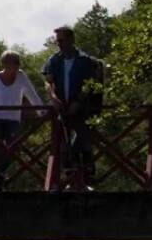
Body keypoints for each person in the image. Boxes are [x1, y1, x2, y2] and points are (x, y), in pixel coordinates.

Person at [41, 25, 104, 188]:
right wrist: (53, 98)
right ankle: (70, 179)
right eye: (57, 41)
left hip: (83, 109)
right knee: (63, 144)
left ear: (71, 40)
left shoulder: (85, 60)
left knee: (82, 142)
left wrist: (78, 102)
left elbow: (90, 85)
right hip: (62, 108)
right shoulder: (54, 60)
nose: (59, 44)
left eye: (61, 40)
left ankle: (88, 178)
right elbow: (48, 82)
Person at [0, 50, 44, 190]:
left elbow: (32, 95)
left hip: (12, 119)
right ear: (4, 64)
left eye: (18, 62)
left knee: (14, 149)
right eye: (14, 62)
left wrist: (42, 112)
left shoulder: (21, 77)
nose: (18, 65)